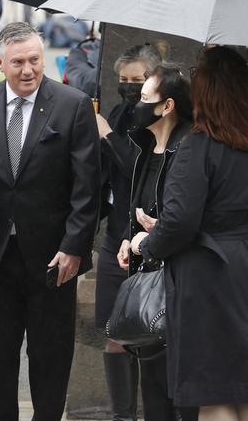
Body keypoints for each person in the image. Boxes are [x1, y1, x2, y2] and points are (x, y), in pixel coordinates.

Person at [0, 22, 100, 421]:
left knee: (50, 355)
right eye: (17, 62)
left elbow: (87, 189)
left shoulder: (72, 104)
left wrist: (73, 246)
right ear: (0, 62)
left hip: (55, 257)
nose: (27, 70)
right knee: (0, 352)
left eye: (34, 60)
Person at [127, 47, 248, 421]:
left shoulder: (199, 145)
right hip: (242, 267)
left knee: (215, 393)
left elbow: (180, 221)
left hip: (208, 277)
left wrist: (148, 243)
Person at [115, 64, 197, 421]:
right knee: (153, 387)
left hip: (182, 285)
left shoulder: (191, 147)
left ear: (168, 106)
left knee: (184, 391)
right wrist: (128, 240)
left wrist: (151, 238)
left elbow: (184, 220)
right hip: (147, 280)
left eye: (146, 98)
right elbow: (138, 208)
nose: (138, 104)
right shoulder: (145, 146)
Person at [95, 45, 162, 421]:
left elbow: (138, 167)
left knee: (154, 333)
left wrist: (107, 137)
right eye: (124, 80)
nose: (129, 87)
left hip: (146, 237)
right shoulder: (120, 112)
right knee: (113, 330)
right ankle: (122, 415)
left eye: (137, 81)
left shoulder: (160, 120)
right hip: (114, 236)